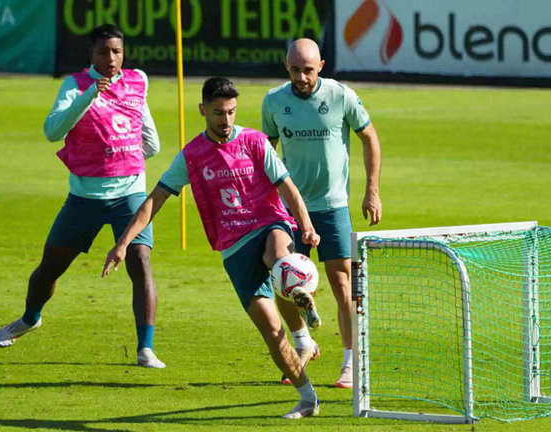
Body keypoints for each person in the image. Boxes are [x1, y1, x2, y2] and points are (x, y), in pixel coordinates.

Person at [102, 77, 321, 419]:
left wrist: (305, 224)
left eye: (232, 112)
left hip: (269, 224)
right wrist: (123, 243)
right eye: (219, 113)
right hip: (233, 247)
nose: (226, 120)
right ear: (203, 110)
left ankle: (302, 316)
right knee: (270, 328)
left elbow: (288, 188)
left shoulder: (255, 141)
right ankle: (307, 398)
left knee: (280, 259)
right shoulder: (191, 155)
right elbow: (154, 201)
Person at [0, 24, 165, 368]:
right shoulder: (75, 85)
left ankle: (145, 348)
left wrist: (122, 158)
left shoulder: (138, 81)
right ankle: (30, 318)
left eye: (116, 51)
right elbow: (52, 131)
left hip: (129, 194)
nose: (111, 58)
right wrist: (90, 97)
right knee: (50, 269)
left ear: (123, 52)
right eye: (103, 51)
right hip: (84, 197)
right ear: (91, 54)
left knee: (141, 264)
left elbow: (151, 142)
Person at [261, 38, 382, 388]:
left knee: (343, 283)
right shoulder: (273, 101)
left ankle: (349, 362)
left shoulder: (340, 95)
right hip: (290, 209)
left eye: (308, 70)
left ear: (322, 66)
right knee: (282, 281)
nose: (302, 77)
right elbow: (268, 153)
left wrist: (371, 191)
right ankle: (304, 343)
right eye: (295, 70)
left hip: (332, 207)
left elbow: (369, 137)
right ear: (287, 67)